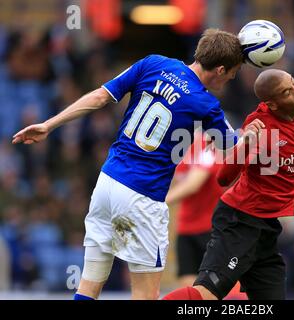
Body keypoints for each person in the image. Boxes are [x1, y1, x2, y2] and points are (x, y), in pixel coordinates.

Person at [11, 28, 259, 300]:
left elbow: (100, 96)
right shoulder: (206, 104)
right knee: (145, 295)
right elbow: (229, 149)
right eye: (233, 73)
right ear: (221, 69)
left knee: (89, 286)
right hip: (143, 198)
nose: (232, 78)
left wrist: (48, 124)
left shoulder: (153, 63)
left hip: (107, 184)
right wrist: (249, 135)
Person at [163, 68, 294, 300]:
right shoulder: (259, 125)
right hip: (238, 222)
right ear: (272, 104)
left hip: (267, 228)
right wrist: (244, 144)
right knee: (206, 295)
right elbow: (223, 177)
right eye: (287, 91)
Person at [166, 131, 247, 299]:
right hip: (185, 229)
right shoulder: (180, 149)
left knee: (215, 290)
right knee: (189, 289)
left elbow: (193, 184)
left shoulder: (207, 145)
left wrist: (158, 201)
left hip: (210, 229)